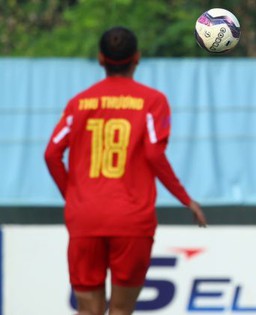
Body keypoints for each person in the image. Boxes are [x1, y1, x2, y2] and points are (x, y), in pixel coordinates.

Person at [44, 26, 207, 315]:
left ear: (100, 59)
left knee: (88, 308)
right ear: (137, 58)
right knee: (121, 309)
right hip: (131, 219)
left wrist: (73, 195)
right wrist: (186, 199)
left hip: (85, 217)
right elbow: (154, 154)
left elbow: (52, 153)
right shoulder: (152, 102)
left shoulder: (79, 103)